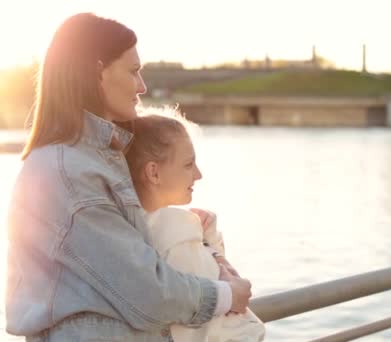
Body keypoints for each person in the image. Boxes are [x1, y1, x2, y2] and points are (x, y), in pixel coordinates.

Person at [6, 12, 251, 341]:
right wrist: (226, 295)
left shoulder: (95, 159)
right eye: (134, 71)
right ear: (97, 73)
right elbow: (146, 290)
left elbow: (125, 258)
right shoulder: (70, 171)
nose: (142, 86)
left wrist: (197, 232)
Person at [125, 109, 265, 341]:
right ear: (153, 172)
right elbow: (226, 311)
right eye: (189, 164)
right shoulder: (174, 231)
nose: (198, 175)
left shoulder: (135, 228)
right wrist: (206, 242)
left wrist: (206, 235)